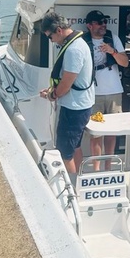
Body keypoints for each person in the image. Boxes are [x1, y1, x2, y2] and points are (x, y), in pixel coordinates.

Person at [39, 11, 95, 175]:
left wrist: (50, 95)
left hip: (74, 109)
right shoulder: (77, 43)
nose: (50, 41)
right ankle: (79, 179)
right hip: (79, 106)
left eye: (50, 37)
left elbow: (66, 85)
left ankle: (71, 192)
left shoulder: (73, 50)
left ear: (58, 30)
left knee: (65, 152)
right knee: (75, 146)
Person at [82, 9, 129, 170]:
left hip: (114, 91)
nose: (103, 25)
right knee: (96, 133)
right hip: (92, 93)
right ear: (89, 25)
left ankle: (108, 167)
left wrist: (112, 51)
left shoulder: (113, 39)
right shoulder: (82, 41)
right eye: (99, 22)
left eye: (105, 22)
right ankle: (96, 169)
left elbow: (125, 63)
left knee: (112, 131)